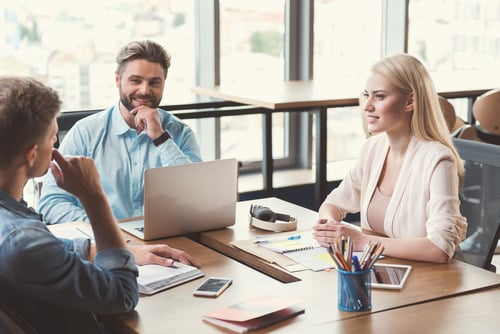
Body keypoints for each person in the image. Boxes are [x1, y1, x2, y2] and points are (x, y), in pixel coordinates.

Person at [0, 76, 197, 333]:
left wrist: (127, 252)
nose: (57, 144)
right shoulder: (22, 240)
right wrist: (94, 197)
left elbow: (49, 250)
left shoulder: (13, 222)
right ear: (32, 154)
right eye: (52, 138)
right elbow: (123, 295)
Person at [312, 54, 467, 264]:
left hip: (430, 280)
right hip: (384, 270)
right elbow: (333, 204)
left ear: (410, 101)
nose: (367, 106)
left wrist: (360, 241)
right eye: (367, 95)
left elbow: (439, 248)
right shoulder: (373, 149)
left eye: (380, 96)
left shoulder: (438, 160)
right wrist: (332, 229)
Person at [38, 40, 202, 224]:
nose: (144, 90)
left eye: (154, 82)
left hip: (168, 242)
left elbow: (196, 198)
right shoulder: (85, 133)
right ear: (118, 80)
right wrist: (106, 229)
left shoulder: (180, 133)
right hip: (104, 244)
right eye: (135, 80)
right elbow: (52, 203)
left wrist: (161, 138)